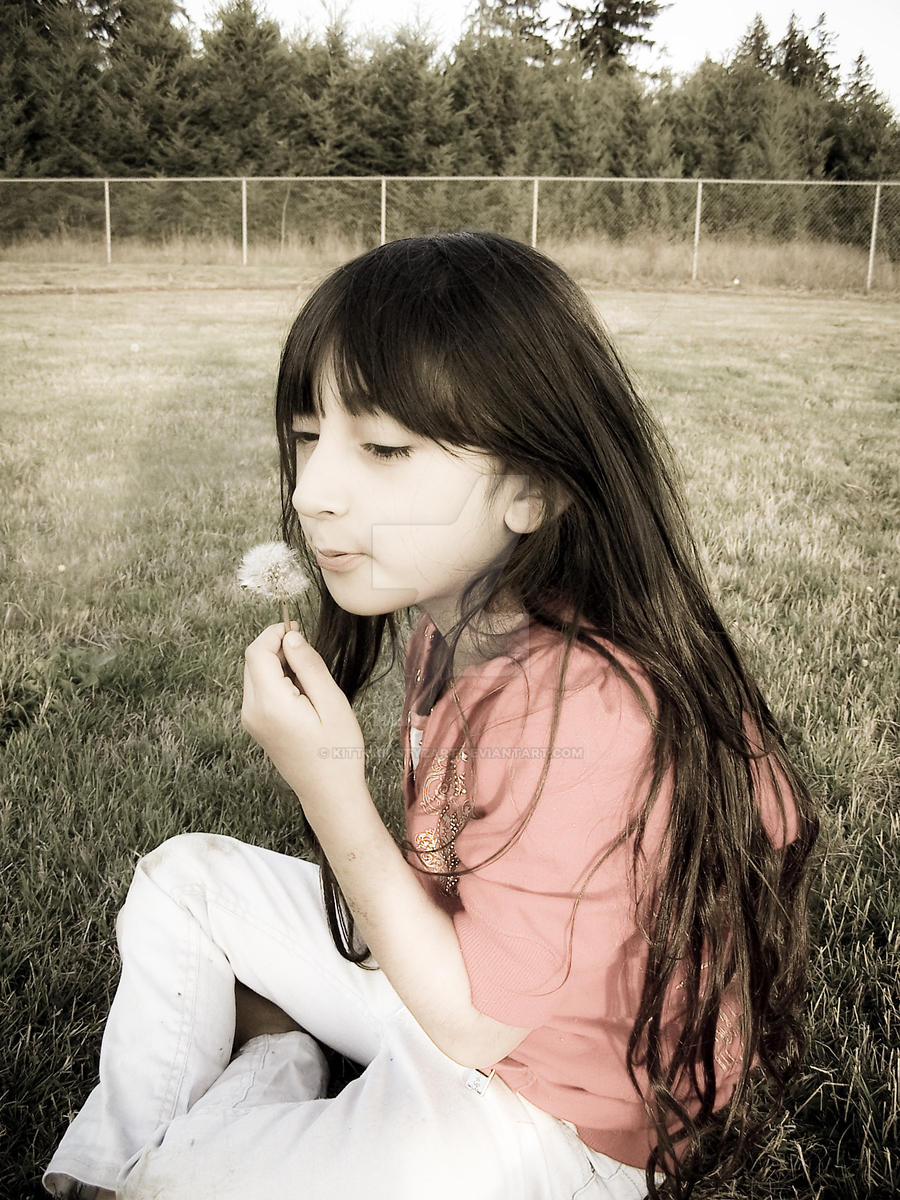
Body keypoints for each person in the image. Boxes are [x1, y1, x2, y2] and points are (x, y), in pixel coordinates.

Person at [44, 232, 817, 1200]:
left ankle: (245, 1085)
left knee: (175, 1180)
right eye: (305, 439)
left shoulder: (588, 705)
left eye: (383, 448)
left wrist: (326, 779)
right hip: (447, 986)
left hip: (558, 1117)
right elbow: (444, 909)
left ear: (534, 486)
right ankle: (115, 1161)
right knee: (183, 880)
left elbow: (474, 1026)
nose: (312, 492)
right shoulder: (451, 631)